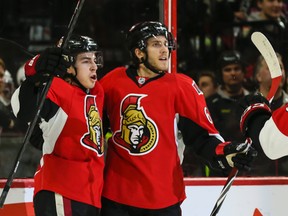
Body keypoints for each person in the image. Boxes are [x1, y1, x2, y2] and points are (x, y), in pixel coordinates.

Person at [99, 21, 257, 216]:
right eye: (156, 44)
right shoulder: (112, 82)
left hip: (163, 197)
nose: (165, 50)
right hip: (116, 197)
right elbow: (92, 127)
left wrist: (226, 153)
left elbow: (202, 137)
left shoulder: (181, 87)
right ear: (139, 52)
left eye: (166, 44)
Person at [11, 35, 105, 216]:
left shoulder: (96, 92)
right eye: (86, 60)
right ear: (68, 66)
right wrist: (36, 73)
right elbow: (23, 109)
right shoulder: (57, 89)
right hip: (61, 192)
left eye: (95, 59)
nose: (94, 66)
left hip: (90, 195)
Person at [241, 52, 288, 176]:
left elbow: (271, 145)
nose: (278, 72)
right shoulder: (244, 104)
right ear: (258, 76)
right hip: (254, 179)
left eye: (281, 68)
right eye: (271, 67)